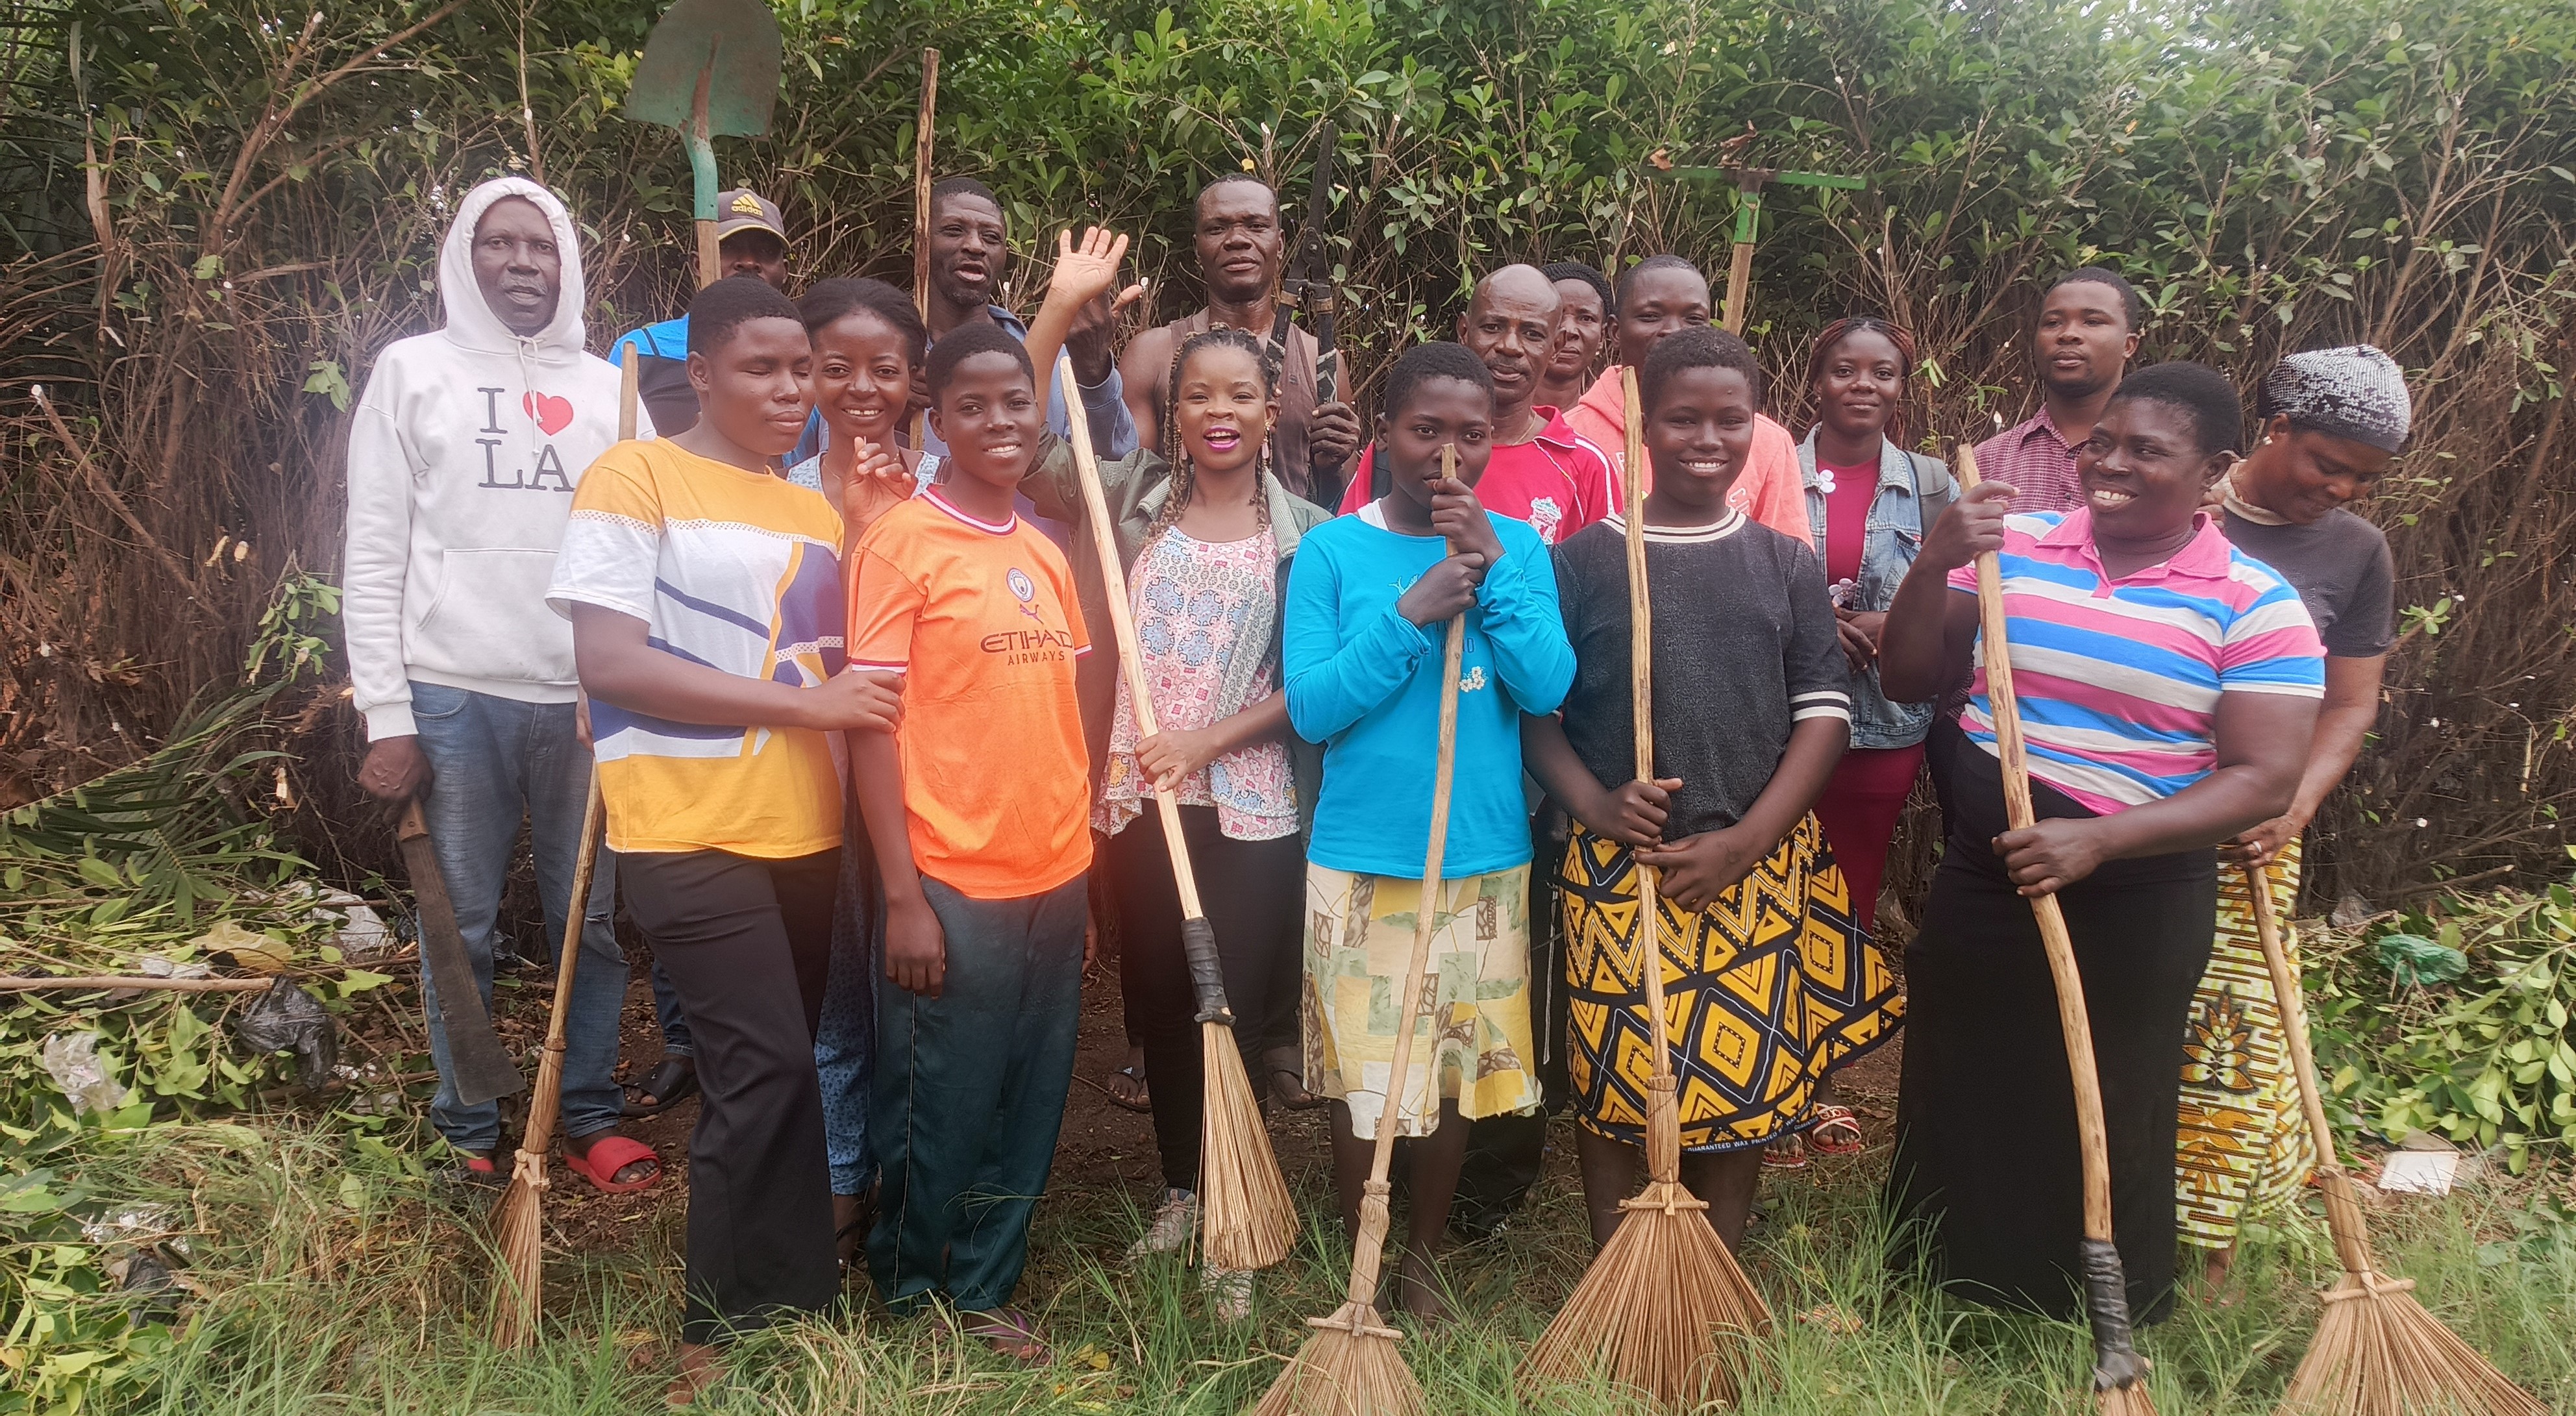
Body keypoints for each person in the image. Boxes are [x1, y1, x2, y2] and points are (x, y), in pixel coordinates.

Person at [1877, 362, 2323, 1324]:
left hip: (2141, 883)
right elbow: (1911, 676)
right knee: (1966, 1072)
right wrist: (1931, 560)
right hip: (1988, 871)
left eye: (2147, 452)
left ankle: (2089, 1306)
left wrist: (2102, 843)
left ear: (2215, 469)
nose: (2109, 465)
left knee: (2112, 1090)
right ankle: (1944, 1285)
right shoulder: (2013, 547)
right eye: (2102, 445)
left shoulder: (2256, 601)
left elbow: (2263, 778)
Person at [548, 275, 901, 1404]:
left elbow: (841, 663)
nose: (791, 389)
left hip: (802, 832)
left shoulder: (809, 510)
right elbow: (609, 663)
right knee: (763, 1068)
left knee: (786, 1072)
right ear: (698, 372)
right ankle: (714, 1324)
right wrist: (814, 710)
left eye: (800, 369)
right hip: (686, 829)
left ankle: (794, 1304)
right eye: (764, 367)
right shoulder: (632, 474)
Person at [1524, 325, 1899, 1249]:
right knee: (1616, 1074)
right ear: (1641, 425)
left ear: (1758, 426)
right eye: (1683, 417)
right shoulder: (1581, 564)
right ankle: (1621, 1264)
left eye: (1731, 419)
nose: (1708, 438)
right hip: (1620, 869)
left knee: (1744, 1084)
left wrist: (1749, 840)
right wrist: (1597, 806)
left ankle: (1718, 1261)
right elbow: (1535, 717)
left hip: (1752, 866)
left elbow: (1824, 716)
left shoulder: (1783, 563)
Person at [1018, 232, 1331, 1319]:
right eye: (1196, 392)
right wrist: (1057, 308)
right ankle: (1185, 1190)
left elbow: (1324, 685)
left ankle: (1240, 1219)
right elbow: (1012, 443)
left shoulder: (1309, 537)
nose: (1217, 411)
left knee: (1228, 1006)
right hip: (1138, 804)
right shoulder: (1127, 495)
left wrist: (1206, 741)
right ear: (1175, 403)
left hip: (1246, 808)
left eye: (1239, 394)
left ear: (1266, 410)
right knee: (1157, 1005)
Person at [341, 176, 660, 1193]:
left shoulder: (613, 390)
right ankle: (468, 1122)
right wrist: (386, 713)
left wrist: (625, 682)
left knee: (593, 922)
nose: (523, 263)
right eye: (500, 244)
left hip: (583, 700)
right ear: (462, 256)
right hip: (451, 695)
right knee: (460, 920)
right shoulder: (412, 373)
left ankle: (589, 1117)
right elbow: (375, 550)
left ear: (567, 262)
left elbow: (652, 546)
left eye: (542, 247)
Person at [1285, 341, 1576, 1317]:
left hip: (1483, 854)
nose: (1448, 454)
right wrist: (1408, 615)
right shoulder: (1333, 549)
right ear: (1384, 435)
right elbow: (1314, 707)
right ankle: (1357, 1245)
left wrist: (1489, 569)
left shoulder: (1518, 549)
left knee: (1453, 1070)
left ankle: (1420, 1254)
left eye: (1471, 435)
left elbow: (1550, 683)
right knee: (1365, 1072)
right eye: (1425, 431)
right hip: (1367, 851)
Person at [848, 312, 1096, 1365]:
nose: (1000, 420)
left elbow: (1063, 720)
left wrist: (1084, 877)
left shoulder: (1044, 546)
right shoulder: (899, 543)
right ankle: (910, 1288)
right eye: (972, 405)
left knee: (1029, 1096)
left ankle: (990, 1283)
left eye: (1015, 400)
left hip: (1058, 873)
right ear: (935, 420)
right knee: (936, 1097)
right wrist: (903, 895)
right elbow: (869, 730)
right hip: (949, 879)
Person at [2176, 345, 2406, 1293]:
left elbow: (2350, 704)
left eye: (2361, 475)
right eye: (2327, 461)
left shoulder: (2356, 550)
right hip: (2128, 814)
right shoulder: (2178, 501)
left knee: (2234, 1033)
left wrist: (2294, 802)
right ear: (2277, 427)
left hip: (2252, 838)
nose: (2341, 487)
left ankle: (2209, 1255)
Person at [608, 188, 798, 1119]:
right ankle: (682, 1040)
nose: (751, 266)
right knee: (754, 1054)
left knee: (774, 1053)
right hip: (681, 776)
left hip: (786, 794)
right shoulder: (639, 356)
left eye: (765, 255)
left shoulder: (799, 479)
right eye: (736, 253)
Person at [1772, 316, 1956, 1170]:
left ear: (1900, 386)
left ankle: (1822, 1087)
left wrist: (1893, 621)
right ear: (1816, 381)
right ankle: (1764, 1078)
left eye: (1882, 372)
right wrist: (1816, 626)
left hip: (1881, 726)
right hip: (1777, 720)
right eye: (1844, 369)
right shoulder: (1770, 465)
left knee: (1847, 895)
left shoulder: (1930, 484)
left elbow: (1960, 597)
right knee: (1770, 891)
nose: (1863, 384)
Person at [783, 276, 937, 1267]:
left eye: (884, 369)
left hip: (926, 775)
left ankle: (917, 1179)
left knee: (916, 992)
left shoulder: (945, 482)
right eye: (834, 368)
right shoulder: (775, 490)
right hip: (807, 775)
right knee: (836, 988)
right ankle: (845, 1181)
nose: (860, 387)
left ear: (915, 379)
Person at [1117, 173, 1362, 503]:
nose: (1237, 240)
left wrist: (1335, 464)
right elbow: (1127, 485)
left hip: (1295, 551)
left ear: (1281, 242)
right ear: (1197, 247)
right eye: (1217, 229)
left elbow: (1344, 505)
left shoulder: (1321, 361)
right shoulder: (1152, 354)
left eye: (1256, 226)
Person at [1334, 265, 1615, 550]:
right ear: (1465, 331)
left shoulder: (1584, 466)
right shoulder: (1402, 450)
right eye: (1493, 327)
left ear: (1555, 346)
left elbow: (1602, 585)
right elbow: (1349, 553)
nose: (1510, 346)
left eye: (1532, 334)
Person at [1563, 255, 1807, 539]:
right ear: (1615, 331)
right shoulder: (1570, 437)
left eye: (1693, 319)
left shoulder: (1767, 442)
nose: (1674, 332)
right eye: (1650, 316)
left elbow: (1786, 564)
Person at [919, 177, 1137, 462]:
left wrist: (1093, 375)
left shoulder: (1060, 361)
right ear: (920, 240)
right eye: (954, 231)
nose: (975, 246)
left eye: (991, 237)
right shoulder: (889, 358)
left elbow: (1115, 466)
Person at [609, 188, 793, 438]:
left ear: (785, 271)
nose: (749, 262)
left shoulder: (804, 364)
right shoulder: (641, 350)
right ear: (698, 264)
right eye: (729, 247)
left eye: (766, 252)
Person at [1970, 267, 2143, 516]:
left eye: (2092, 322)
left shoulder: (2166, 459)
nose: (2068, 334)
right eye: (2053, 323)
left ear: (2129, 345)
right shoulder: (1986, 461)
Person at [1535, 260, 1613, 414]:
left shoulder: (1613, 424)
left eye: (1586, 318)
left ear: (1602, 336)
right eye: (1557, 315)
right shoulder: (1487, 418)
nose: (1569, 330)